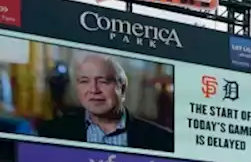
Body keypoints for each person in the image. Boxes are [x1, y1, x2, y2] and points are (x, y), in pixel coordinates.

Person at [36, 52, 173, 152]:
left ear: (122, 86)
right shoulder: (51, 133)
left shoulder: (162, 141)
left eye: (104, 81)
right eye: (84, 81)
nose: (94, 90)